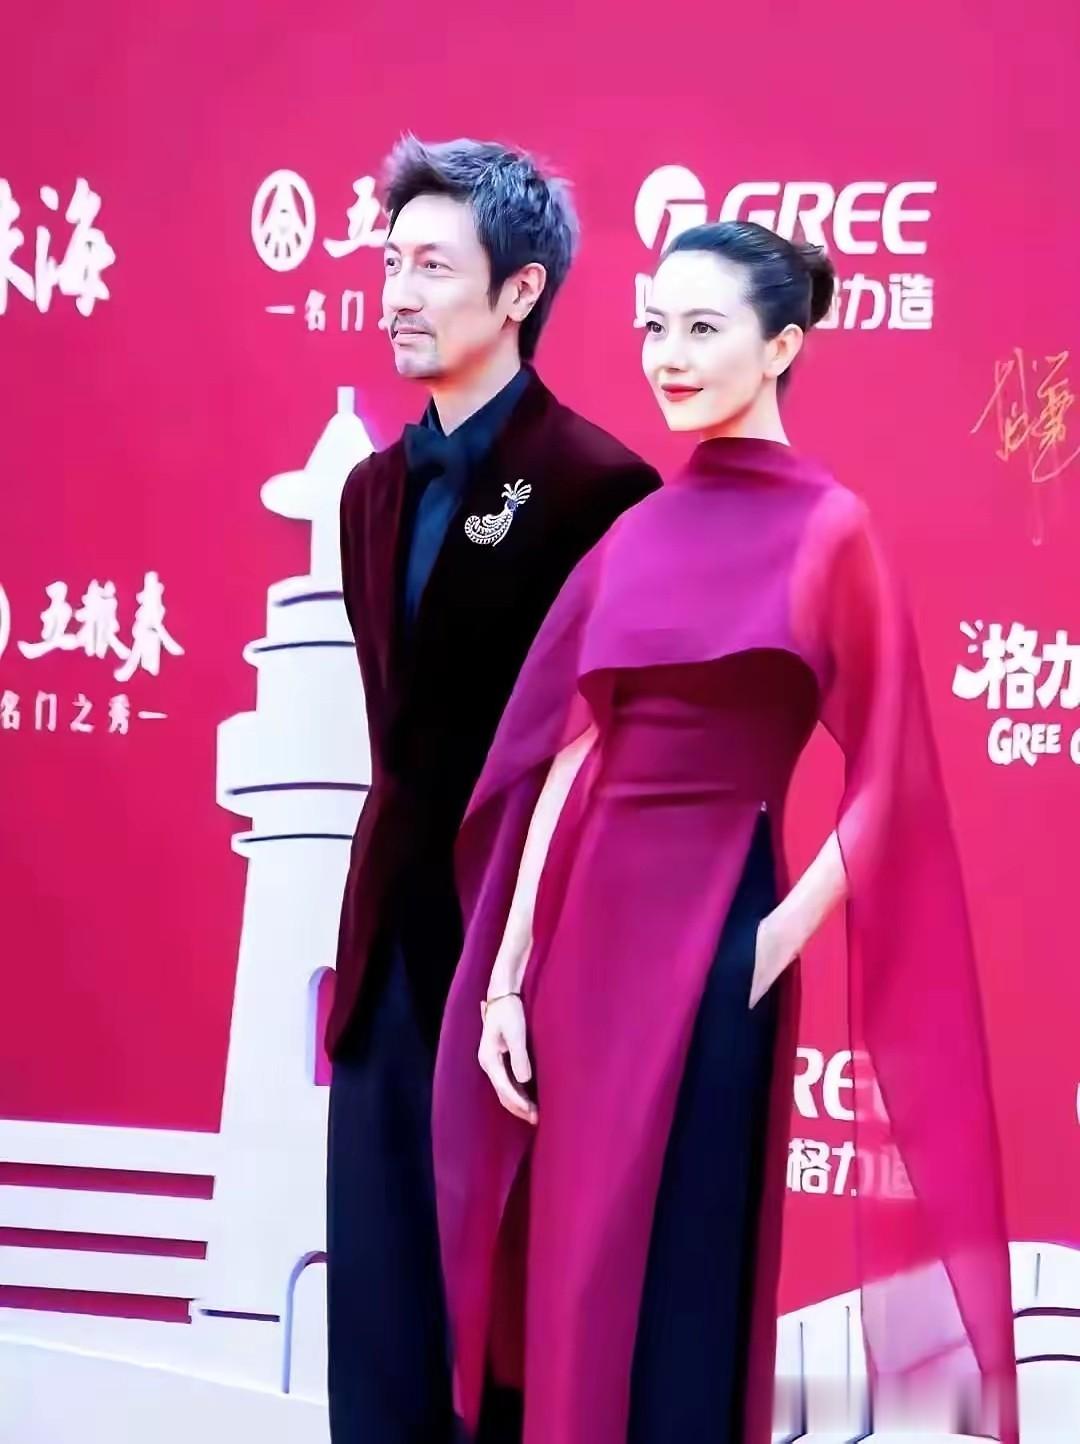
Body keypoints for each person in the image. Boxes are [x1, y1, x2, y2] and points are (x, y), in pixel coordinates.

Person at [433, 221, 1019, 1444]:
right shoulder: (637, 531)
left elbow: (890, 783)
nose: (669, 355)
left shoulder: (831, 529)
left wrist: (770, 940)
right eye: (655, 327)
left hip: (719, 933)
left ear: (783, 345)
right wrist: (504, 977)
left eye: (703, 329)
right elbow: (568, 758)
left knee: (689, 1271)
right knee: (581, 1269)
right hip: (583, 943)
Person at [325, 135, 660, 1444]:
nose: (398, 294)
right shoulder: (367, 492)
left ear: (520, 291)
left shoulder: (601, 487)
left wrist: (534, 969)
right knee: (380, 1323)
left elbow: (605, 750)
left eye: (432, 267)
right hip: (385, 948)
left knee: (506, 1331)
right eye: (389, 263)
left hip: (524, 966)